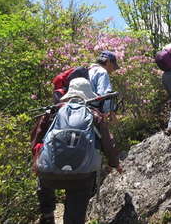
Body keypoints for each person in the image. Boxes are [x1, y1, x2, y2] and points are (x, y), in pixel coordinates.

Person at [31, 77, 122, 224]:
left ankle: (47, 215)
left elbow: (36, 139)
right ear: (87, 95)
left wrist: (37, 163)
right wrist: (115, 164)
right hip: (82, 176)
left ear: (69, 93)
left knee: (44, 174)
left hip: (49, 175)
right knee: (75, 210)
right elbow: (108, 143)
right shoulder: (94, 115)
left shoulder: (53, 112)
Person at [88, 50, 120, 124]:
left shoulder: (89, 70)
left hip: (85, 109)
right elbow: (104, 95)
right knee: (105, 134)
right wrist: (111, 112)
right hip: (95, 111)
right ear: (108, 62)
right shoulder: (102, 72)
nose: (113, 70)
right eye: (113, 66)